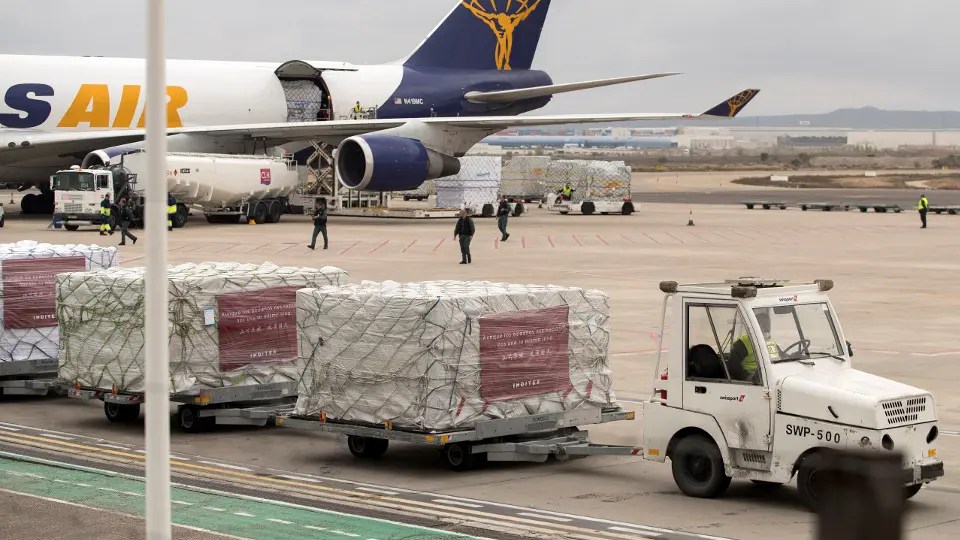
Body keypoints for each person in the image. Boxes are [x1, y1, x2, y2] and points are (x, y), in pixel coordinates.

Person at [728, 310, 777, 383]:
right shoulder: (743, 343)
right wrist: (747, 377)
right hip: (752, 380)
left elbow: (779, 359)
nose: (766, 329)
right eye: (763, 326)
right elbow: (733, 366)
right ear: (755, 326)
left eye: (767, 326)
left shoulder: (769, 341)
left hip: (768, 377)